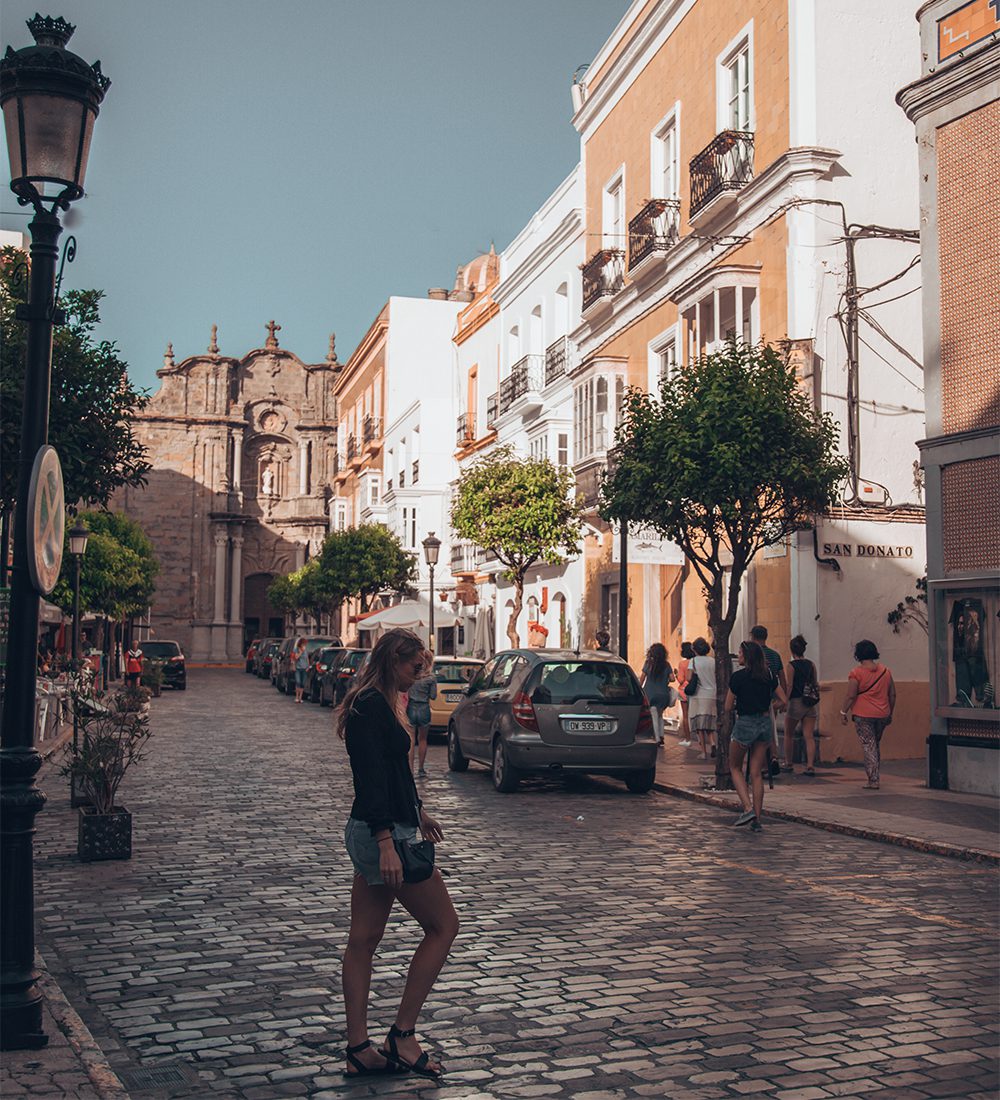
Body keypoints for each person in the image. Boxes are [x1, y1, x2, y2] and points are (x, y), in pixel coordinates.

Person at [338, 628, 458, 1079]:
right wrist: (388, 842)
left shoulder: (386, 701)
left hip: (389, 827)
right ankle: (402, 1035)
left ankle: (358, 1048)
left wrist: (420, 810)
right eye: (414, 667)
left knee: (364, 940)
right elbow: (369, 779)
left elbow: (396, 772)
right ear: (393, 660)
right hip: (383, 834)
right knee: (444, 925)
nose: (419, 674)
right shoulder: (369, 706)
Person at [725, 640, 786, 831]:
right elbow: (783, 699)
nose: (738, 655)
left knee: (734, 766)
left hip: (745, 723)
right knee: (756, 772)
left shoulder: (737, 677)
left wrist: (740, 706)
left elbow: (728, 706)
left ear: (747, 656)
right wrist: (768, 707)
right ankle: (757, 819)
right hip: (764, 723)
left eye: (740, 653)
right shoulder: (768, 675)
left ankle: (747, 807)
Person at [840, 639, 895, 790]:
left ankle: (873, 779)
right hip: (883, 714)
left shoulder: (856, 673)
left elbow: (851, 695)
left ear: (858, 654)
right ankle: (875, 774)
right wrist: (890, 712)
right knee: (875, 744)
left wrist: (843, 711)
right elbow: (892, 695)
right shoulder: (886, 671)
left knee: (868, 745)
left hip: (863, 715)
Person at [750, 625, 788, 771]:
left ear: (753, 637)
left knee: (760, 731)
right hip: (773, 697)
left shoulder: (753, 655)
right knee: (770, 728)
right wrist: (783, 697)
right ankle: (773, 756)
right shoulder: (775, 655)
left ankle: (764, 762)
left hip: (758, 697)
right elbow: (782, 678)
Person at [784, 635, 819, 775]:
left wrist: (785, 701)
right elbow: (815, 683)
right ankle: (810, 765)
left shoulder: (791, 666)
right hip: (809, 702)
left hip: (796, 702)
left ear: (791, 650)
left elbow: (790, 685)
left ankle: (788, 763)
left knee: (788, 733)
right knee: (809, 735)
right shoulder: (811, 664)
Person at [407, 651, 438, 778]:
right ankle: (421, 768)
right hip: (424, 708)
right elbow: (433, 696)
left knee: (411, 740)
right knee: (423, 739)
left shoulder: (412, 676)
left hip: (411, 706)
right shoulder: (431, 678)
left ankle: (410, 768)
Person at [686, 637, 717, 760]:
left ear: (695, 649)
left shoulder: (693, 661)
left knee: (700, 724)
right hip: (712, 695)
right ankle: (713, 743)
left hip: (699, 695)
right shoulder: (713, 661)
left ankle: (704, 752)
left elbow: (688, 678)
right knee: (709, 722)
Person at [639, 643, 674, 746]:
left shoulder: (648, 664)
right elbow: (672, 678)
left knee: (653, 715)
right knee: (660, 715)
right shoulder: (666, 664)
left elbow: (642, 679)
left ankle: (657, 738)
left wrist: (639, 689)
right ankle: (662, 736)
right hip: (663, 694)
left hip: (650, 693)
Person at [676, 641, 695, 746]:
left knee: (685, 716)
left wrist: (676, 675)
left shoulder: (682, 664)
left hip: (684, 691)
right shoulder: (695, 661)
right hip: (695, 691)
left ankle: (688, 739)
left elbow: (681, 680)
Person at [293, 638, 309, 704]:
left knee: (302, 683)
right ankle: (296, 697)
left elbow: (307, 658)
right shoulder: (296, 649)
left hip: (304, 668)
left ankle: (300, 697)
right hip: (298, 668)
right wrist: (301, 652)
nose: (304, 646)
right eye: (303, 644)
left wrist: (308, 666)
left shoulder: (306, 651)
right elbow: (296, 658)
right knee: (298, 682)